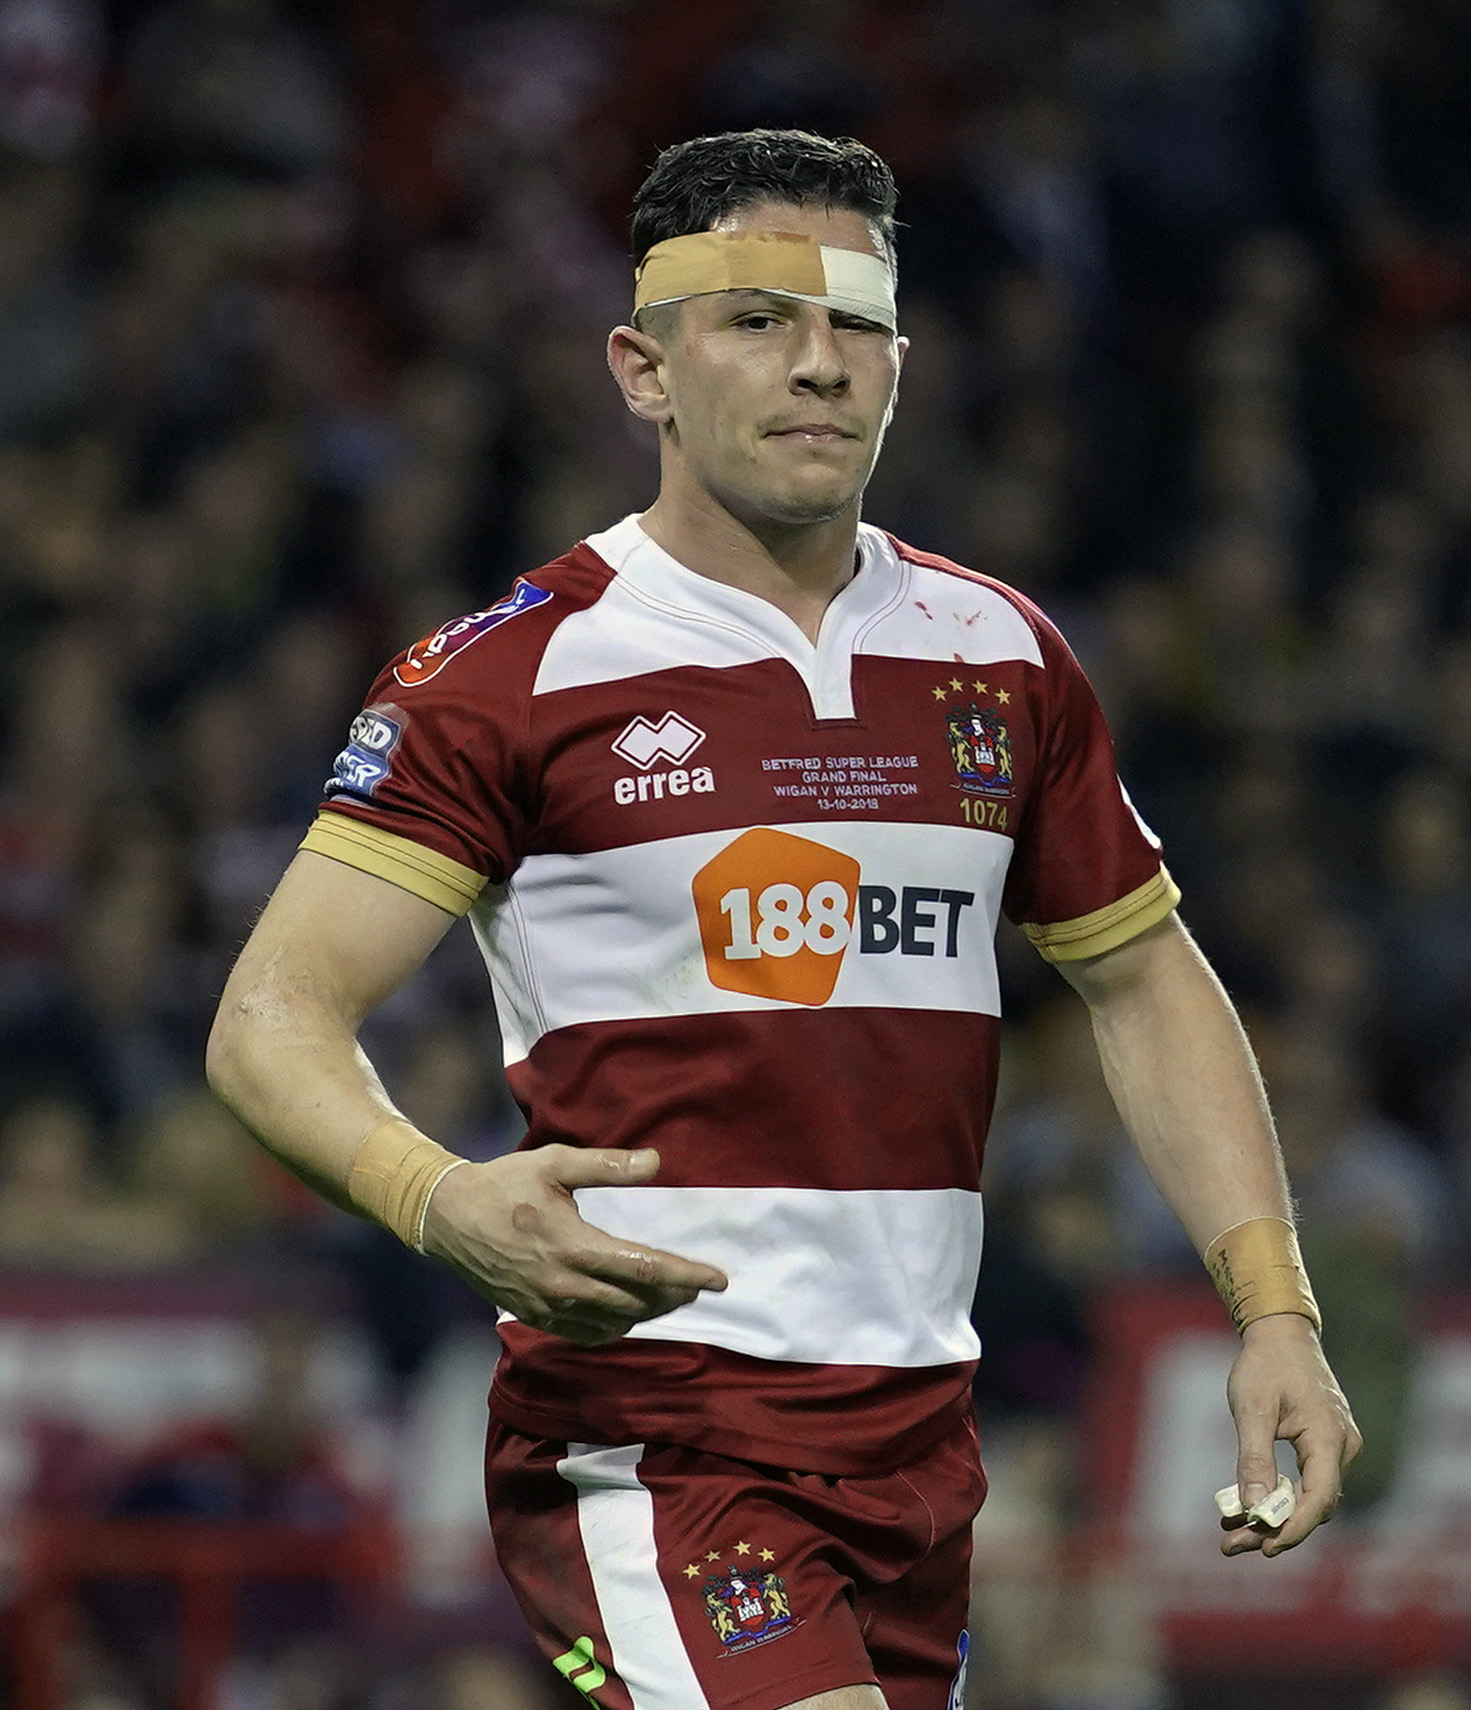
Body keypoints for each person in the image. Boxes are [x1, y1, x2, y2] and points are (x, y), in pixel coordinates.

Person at [207, 130, 1360, 1710]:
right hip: (661, 1434)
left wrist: (1276, 1311)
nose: (820, 363)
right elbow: (269, 1015)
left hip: (920, 1442)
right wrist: (439, 1196)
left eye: (856, 325)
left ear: (901, 363)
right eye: (757, 319)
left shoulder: (1001, 653)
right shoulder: (506, 676)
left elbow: (1147, 982)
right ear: (645, 368)